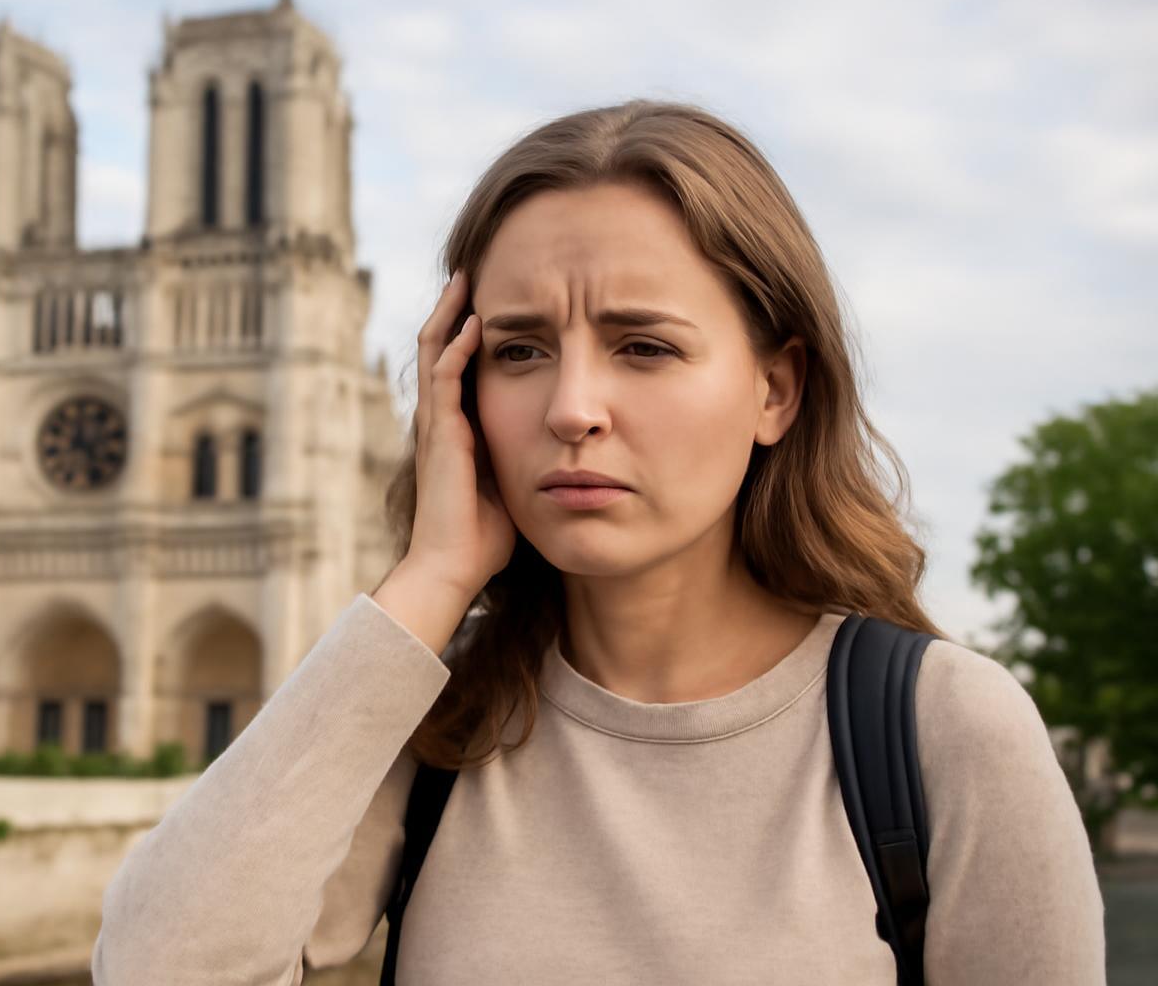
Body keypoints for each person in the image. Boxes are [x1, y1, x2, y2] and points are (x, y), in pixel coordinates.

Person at [90, 100, 1106, 984]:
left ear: (776, 389)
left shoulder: (943, 731)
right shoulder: (436, 724)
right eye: (519, 350)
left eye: (643, 346)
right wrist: (431, 577)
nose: (572, 407)